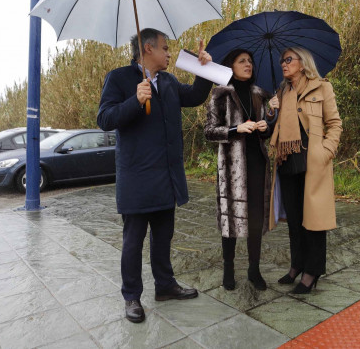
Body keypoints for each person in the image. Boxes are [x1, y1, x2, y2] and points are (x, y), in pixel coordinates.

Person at [97, 28, 213, 323]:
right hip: (136, 179)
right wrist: (135, 99)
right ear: (147, 49)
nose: (169, 53)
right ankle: (132, 296)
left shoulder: (170, 82)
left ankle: (165, 285)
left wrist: (204, 68)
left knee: (164, 236)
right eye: (165, 47)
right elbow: (105, 119)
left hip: (166, 178)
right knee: (133, 241)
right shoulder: (120, 78)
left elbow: (198, 95)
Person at [268, 46, 342, 294]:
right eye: (282, 61)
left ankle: (312, 271)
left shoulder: (321, 87)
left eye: (288, 59)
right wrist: (272, 110)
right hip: (287, 160)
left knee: (314, 220)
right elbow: (273, 127)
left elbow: (334, 124)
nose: (283, 64)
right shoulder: (281, 91)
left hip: (313, 162)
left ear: (303, 62)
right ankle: (296, 265)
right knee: (295, 220)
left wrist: (326, 152)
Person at [204, 49, 272, 291]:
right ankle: (229, 268)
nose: (248, 64)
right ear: (230, 66)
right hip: (232, 168)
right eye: (242, 61)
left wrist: (266, 126)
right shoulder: (220, 95)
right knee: (229, 221)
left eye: (250, 61)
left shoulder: (260, 95)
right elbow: (209, 131)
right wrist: (235, 130)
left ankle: (254, 269)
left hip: (257, 164)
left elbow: (268, 131)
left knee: (255, 218)